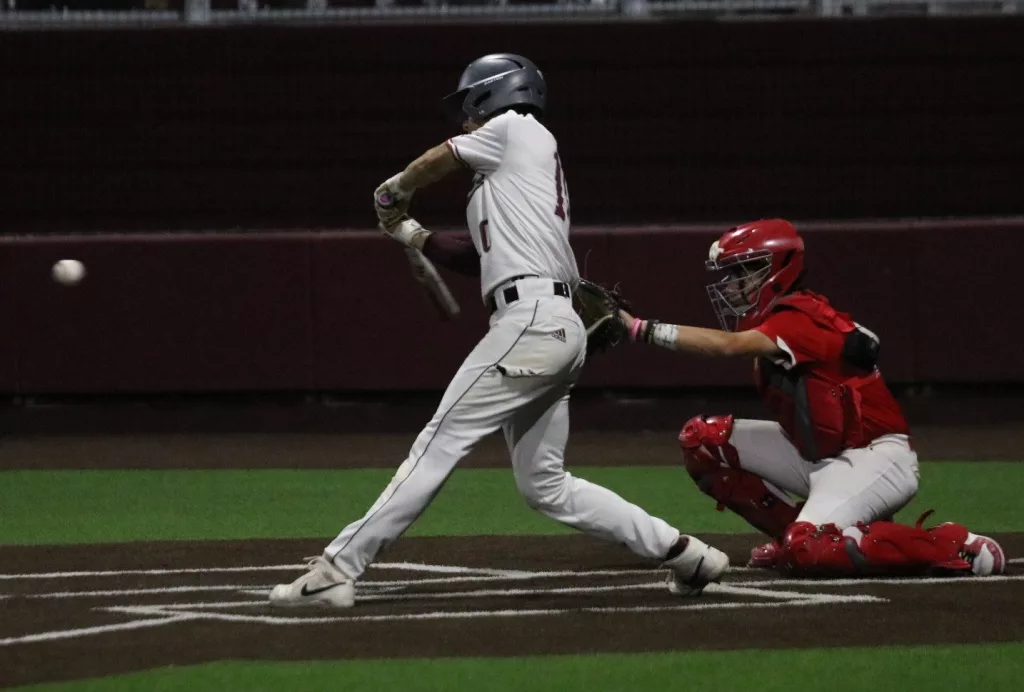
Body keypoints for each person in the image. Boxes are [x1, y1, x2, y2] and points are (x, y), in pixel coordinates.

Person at [269, 54, 729, 608]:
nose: (465, 119)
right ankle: (687, 554)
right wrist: (410, 233)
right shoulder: (511, 169)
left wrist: (393, 191)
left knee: (436, 444)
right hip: (550, 324)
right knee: (546, 485)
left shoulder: (515, 128)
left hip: (530, 320)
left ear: (493, 95)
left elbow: (437, 159)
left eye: (469, 106)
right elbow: (476, 256)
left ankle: (337, 569)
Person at [620, 218, 1006, 577]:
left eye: (743, 272)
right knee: (704, 441)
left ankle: (947, 542)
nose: (732, 285)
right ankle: (797, 536)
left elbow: (727, 346)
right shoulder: (789, 314)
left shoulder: (798, 317)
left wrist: (639, 329)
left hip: (873, 457)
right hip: (819, 452)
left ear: (776, 269)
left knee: (809, 549)